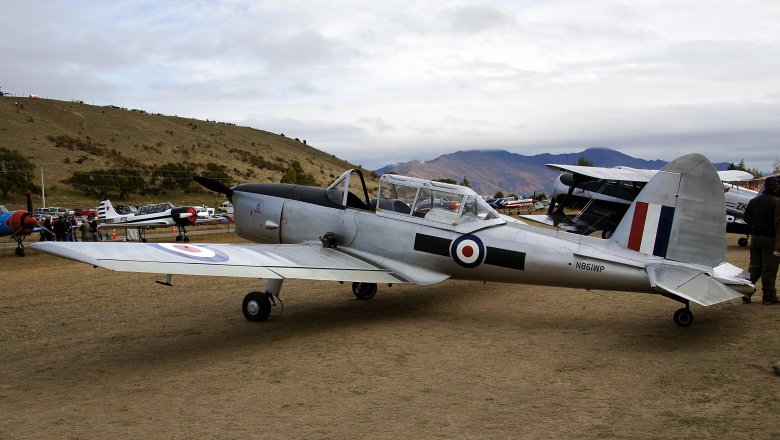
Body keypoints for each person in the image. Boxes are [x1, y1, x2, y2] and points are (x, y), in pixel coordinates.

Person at [744, 176, 780, 304]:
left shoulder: (754, 201)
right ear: (774, 187)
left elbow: (746, 218)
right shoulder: (776, 202)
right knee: (769, 268)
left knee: (754, 267)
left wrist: (755, 225)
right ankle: (768, 296)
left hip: (755, 238)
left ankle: (746, 293)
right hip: (770, 239)